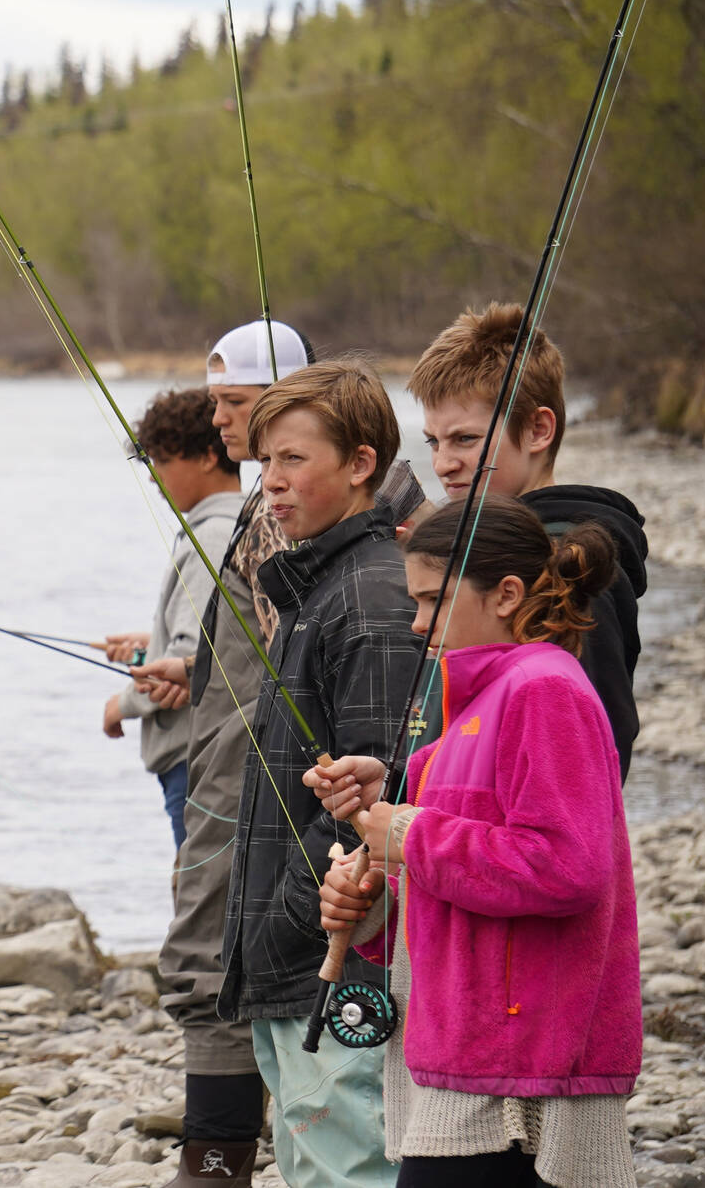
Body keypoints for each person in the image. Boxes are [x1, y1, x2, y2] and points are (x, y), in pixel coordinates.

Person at [304, 495, 639, 1188]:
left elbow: (567, 867)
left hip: (524, 1069)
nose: (419, 621)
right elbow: (456, 873)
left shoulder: (544, 690)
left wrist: (406, 831)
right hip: (467, 1050)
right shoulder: (473, 706)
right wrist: (370, 907)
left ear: (507, 594)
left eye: (434, 599)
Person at [220, 359, 426, 1188]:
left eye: (293, 460)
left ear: (362, 462)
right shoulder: (320, 584)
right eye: (265, 462)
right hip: (295, 959)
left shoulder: (372, 598)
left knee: (352, 1171)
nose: (270, 483)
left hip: (332, 965)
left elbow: (371, 818)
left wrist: (281, 925)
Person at [136, 319, 309, 1188]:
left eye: (233, 402)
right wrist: (186, 665)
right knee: (218, 953)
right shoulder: (253, 511)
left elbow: (296, 663)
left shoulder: (274, 521)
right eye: (216, 403)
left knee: (218, 957)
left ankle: (217, 1160)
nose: (219, 421)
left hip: (251, 788)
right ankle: (229, 1150)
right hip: (219, 773)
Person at [408, 303, 648, 780]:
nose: (442, 464)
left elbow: (588, 769)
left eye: (466, 439)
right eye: (434, 442)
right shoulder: (479, 555)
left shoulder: (570, 568)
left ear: (539, 430)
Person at [100, 387, 244, 852]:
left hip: (195, 764)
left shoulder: (212, 539)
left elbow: (186, 670)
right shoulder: (238, 524)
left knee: (196, 901)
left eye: (162, 462)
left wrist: (121, 704)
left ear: (206, 456)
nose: (155, 478)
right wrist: (149, 646)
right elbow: (218, 643)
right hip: (208, 762)